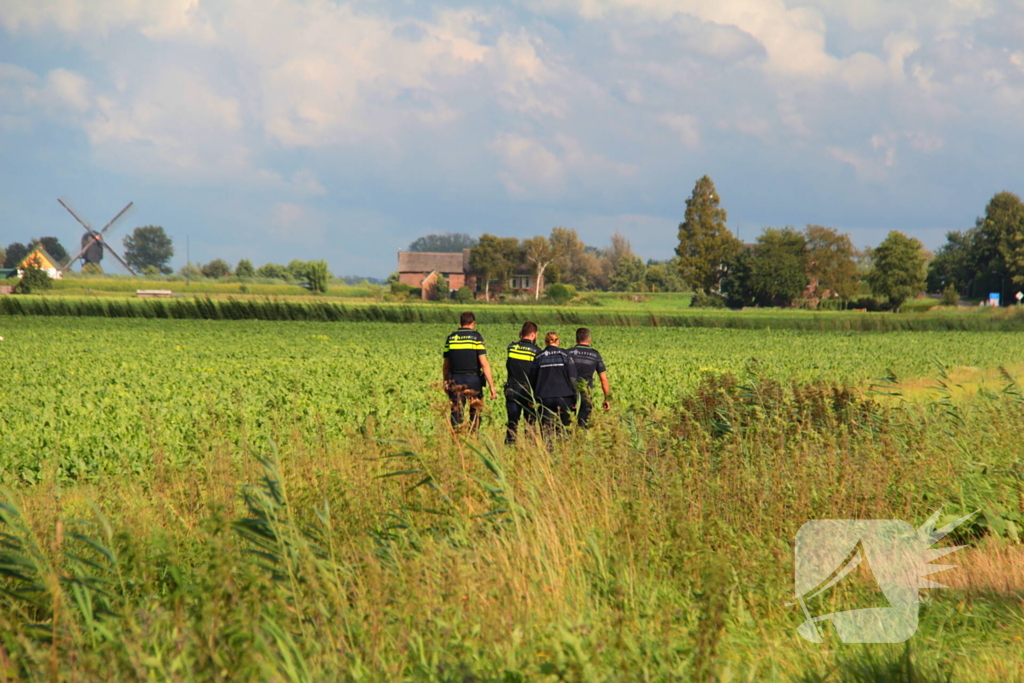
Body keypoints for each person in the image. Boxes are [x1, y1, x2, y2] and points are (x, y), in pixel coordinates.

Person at [443, 311, 497, 432]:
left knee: (456, 412)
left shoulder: (451, 338)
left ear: (461, 323)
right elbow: (484, 363)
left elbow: (446, 365)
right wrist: (492, 386)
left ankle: (457, 440)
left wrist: (445, 381)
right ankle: (474, 438)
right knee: (475, 411)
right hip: (474, 380)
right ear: (473, 323)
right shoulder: (476, 337)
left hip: (455, 379)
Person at [529, 331, 577, 438]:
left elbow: (532, 378)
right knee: (565, 430)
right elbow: (573, 378)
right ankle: (564, 451)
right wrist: (575, 398)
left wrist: (534, 396)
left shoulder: (539, 357)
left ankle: (548, 452)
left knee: (547, 432)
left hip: (544, 397)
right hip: (565, 396)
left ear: (545, 342)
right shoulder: (565, 355)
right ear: (558, 341)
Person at [504, 321, 540, 444]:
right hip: (529, 392)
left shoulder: (511, 347)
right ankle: (530, 450)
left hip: (512, 389)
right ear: (534, 335)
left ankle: (509, 449)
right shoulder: (537, 351)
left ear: (521, 333)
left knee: (512, 423)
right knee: (530, 424)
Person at [566, 327, 610, 428]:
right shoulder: (595, 355)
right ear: (589, 339)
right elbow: (604, 379)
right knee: (583, 425)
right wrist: (606, 398)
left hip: (568, 395)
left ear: (576, 339)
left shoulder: (568, 353)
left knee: (567, 426)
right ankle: (581, 442)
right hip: (586, 395)